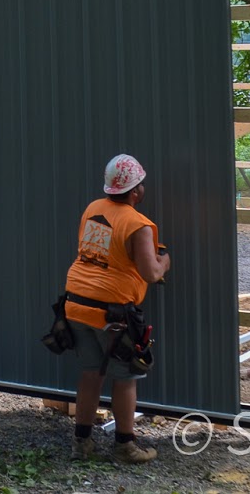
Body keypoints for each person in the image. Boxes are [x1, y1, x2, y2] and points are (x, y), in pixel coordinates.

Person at [61, 153, 170, 464]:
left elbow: (104, 251)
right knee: (125, 378)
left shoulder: (94, 209)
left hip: (76, 304)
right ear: (135, 192)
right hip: (112, 314)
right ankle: (125, 445)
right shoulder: (139, 225)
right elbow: (150, 273)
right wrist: (164, 261)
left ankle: (81, 444)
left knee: (90, 374)